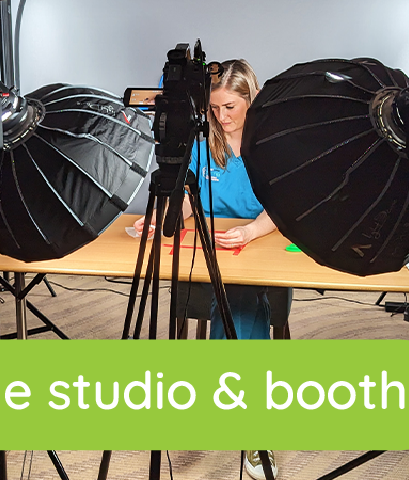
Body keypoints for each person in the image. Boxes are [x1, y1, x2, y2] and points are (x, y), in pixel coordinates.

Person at [134, 59, 287, 480]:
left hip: (258, 244)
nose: (221, 117)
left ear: (251, 100)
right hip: (211, 245)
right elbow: (189, 198)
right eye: (214, 108)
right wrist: (163, 217)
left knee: (241, 300)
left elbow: (282, 206)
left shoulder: (271, 144)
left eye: (230, 108)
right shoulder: (203, 142)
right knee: (234, 299)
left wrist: (251, 231)